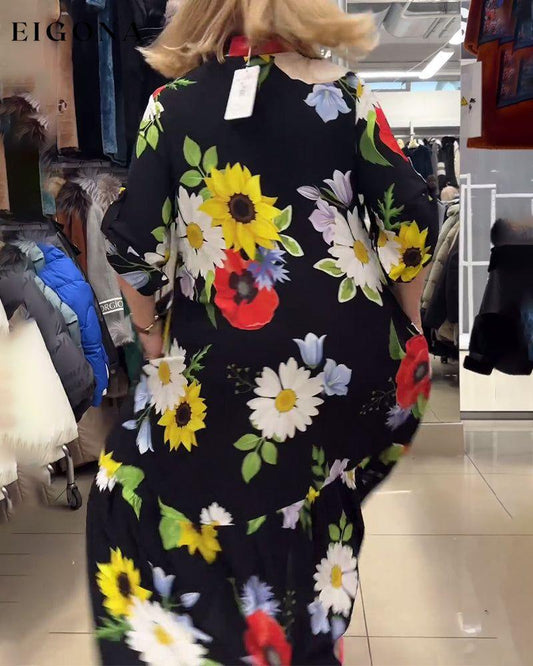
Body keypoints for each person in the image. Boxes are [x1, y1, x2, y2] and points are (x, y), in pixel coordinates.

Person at [86, 1, 438, 664]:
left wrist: (151, 341)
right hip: (349, 367)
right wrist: (410, 323)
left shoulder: (171, 106)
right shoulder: (347, 96)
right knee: (316, 499)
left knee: (139, 486)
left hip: (223, 359)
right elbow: (412, 225)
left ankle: (240, 634)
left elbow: (136, 251)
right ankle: (312, 625)